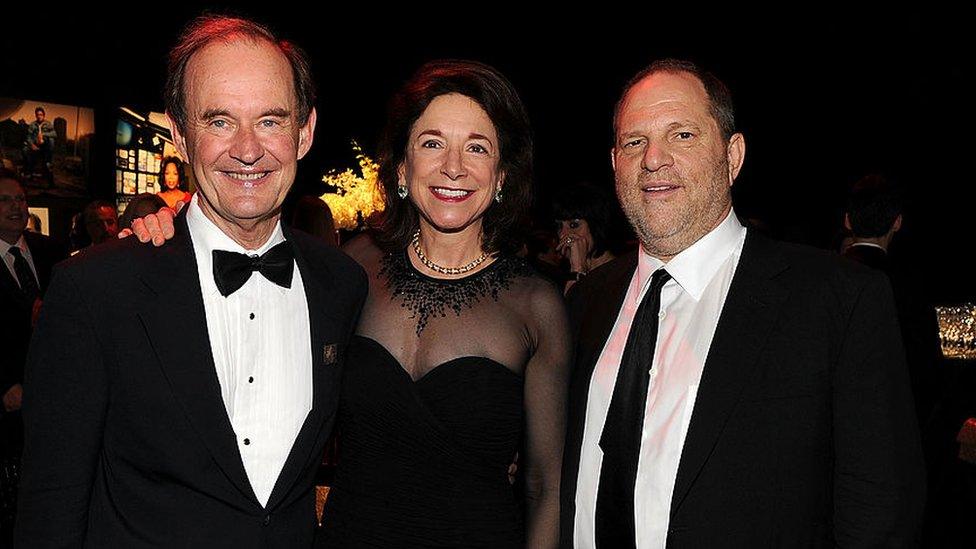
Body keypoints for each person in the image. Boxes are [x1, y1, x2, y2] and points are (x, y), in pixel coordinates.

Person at [132, 59, 571, 548]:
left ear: (502, 174)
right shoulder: (348, 269)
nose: (454, 166)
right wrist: (170, 229)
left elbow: (544, 487)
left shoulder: (535, 304)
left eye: (477, 147)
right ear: (403, 166)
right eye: (432, 144)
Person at [14, 15, 366, 548]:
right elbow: (51, 506)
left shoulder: (342, 283)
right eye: (219, 121)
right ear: (180, 134)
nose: (248, 150)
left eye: (271, 120)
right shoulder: (97, 289)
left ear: (306, 131)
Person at [560, 59, 925, 548]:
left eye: (682, 135)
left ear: (732, 156)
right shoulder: (586, 301)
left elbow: (881, 509)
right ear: (614, 162)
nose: (653, 159)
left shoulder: (838, 300)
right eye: (634, 142)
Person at [0, 169, 67, 546]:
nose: (17, 207)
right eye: (6, 200)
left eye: (21, 200)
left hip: (53, 396)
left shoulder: (50, 250)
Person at [552, 183, 618, 293]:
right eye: (559, 226)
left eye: (574, 225)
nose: (563, 234)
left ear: (596, 225)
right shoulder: (557, 276)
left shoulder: (618, 274)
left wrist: (577, 271)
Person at [21, 107, 56, 181]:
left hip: (45, 144)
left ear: (44, 115)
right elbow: (29, 137)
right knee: (25, 149)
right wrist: (32, 145)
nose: (39, 116)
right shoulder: (32, 124)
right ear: (36, 115)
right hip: (35, 143)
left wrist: (43, 134)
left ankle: (47, 163)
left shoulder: (48, 124)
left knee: (51, 140)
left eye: (41, 114)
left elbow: (54, 134)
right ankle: (29, 169)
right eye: (37, 115)